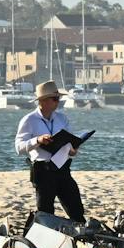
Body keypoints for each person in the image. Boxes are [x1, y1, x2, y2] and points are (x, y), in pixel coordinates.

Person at [14, 81, 87, 222]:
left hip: (63, 169)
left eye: (58, 98)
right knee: (45, 213)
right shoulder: (29, 120)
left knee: (76, 210)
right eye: (55, 99)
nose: (58, 102)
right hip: (43, 171)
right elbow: (19, 147)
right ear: (43, 101)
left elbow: (69, 143)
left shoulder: (62, 118)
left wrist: (73, 150)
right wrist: (37, 140)